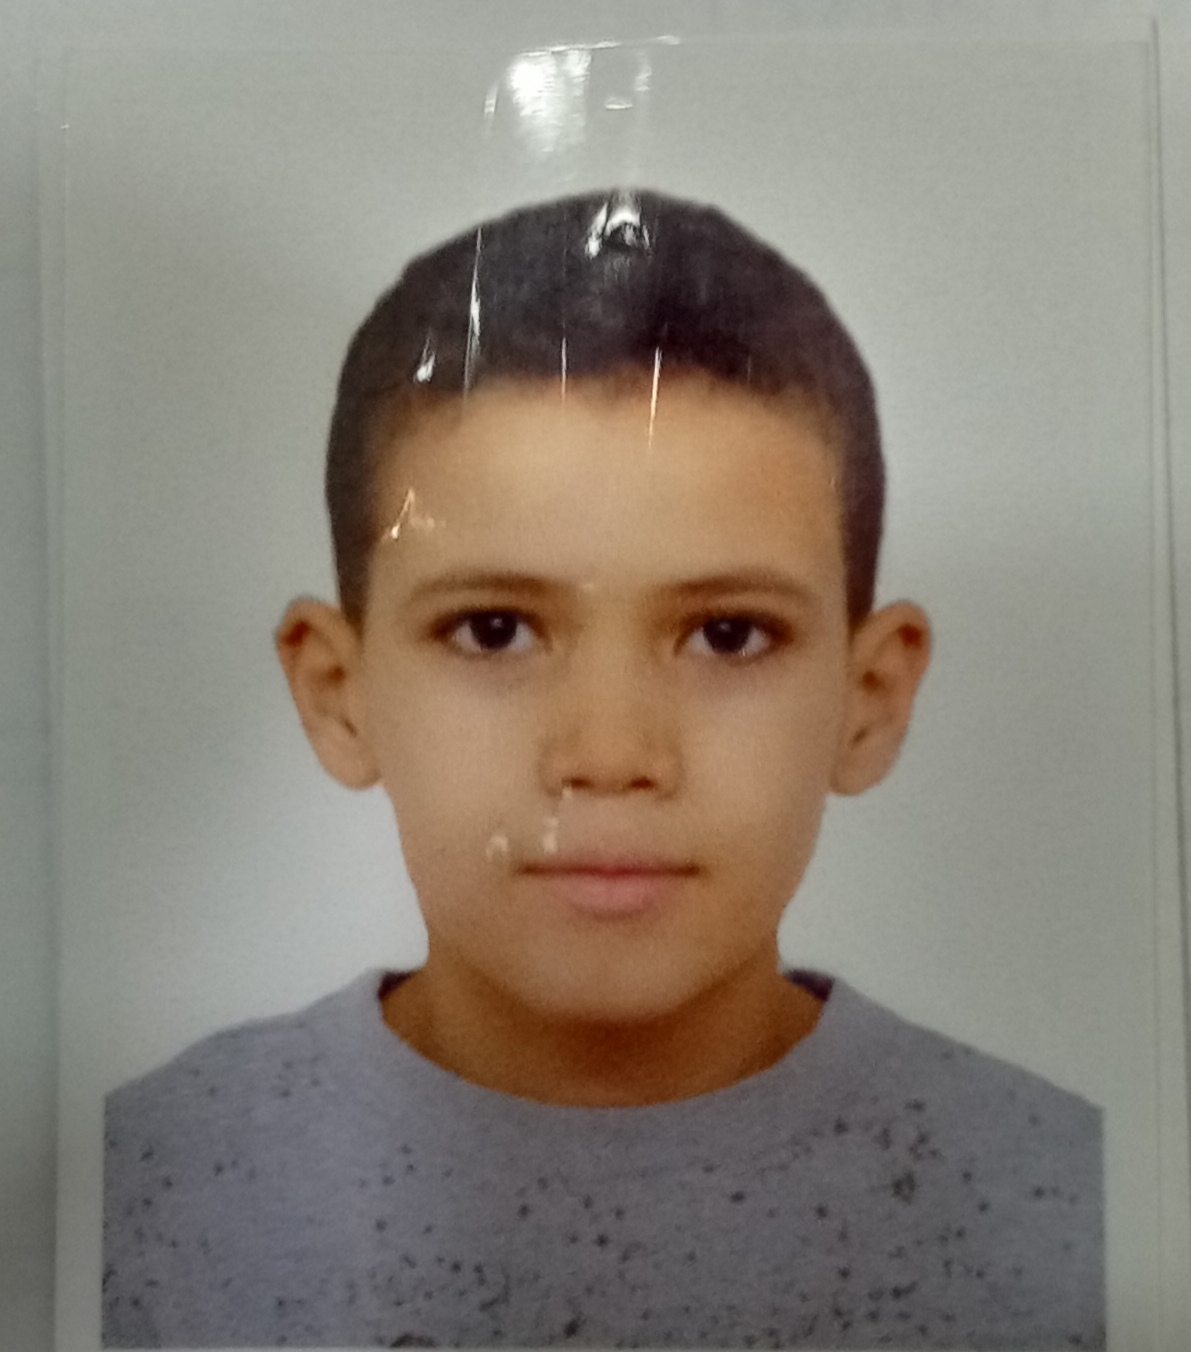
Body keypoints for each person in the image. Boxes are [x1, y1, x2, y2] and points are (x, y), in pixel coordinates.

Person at [102, 189, 1103, 1349]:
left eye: (728, 633)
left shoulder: (1071, 1206)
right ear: (339, 692)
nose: (612, 756)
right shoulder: (132, 1196)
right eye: (493, 630)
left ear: (869, 697)